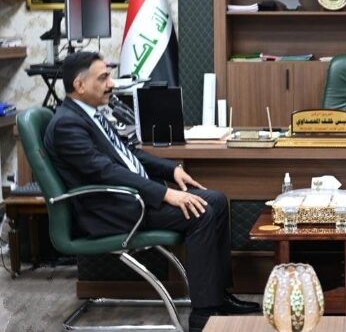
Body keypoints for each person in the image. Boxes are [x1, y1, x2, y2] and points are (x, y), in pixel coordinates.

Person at [43, 52, 259, 332]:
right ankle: (204, 316)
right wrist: (165, 194)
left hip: (125, 199)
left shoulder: (89, 114)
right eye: (103, 78)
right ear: (80, 85)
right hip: (109, 210)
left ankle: (218, 296)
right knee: (202, 212)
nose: (111, 83)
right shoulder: (67, 125)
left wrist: (171, 171)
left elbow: (128, 154)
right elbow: (106, 172)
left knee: (216, 201)